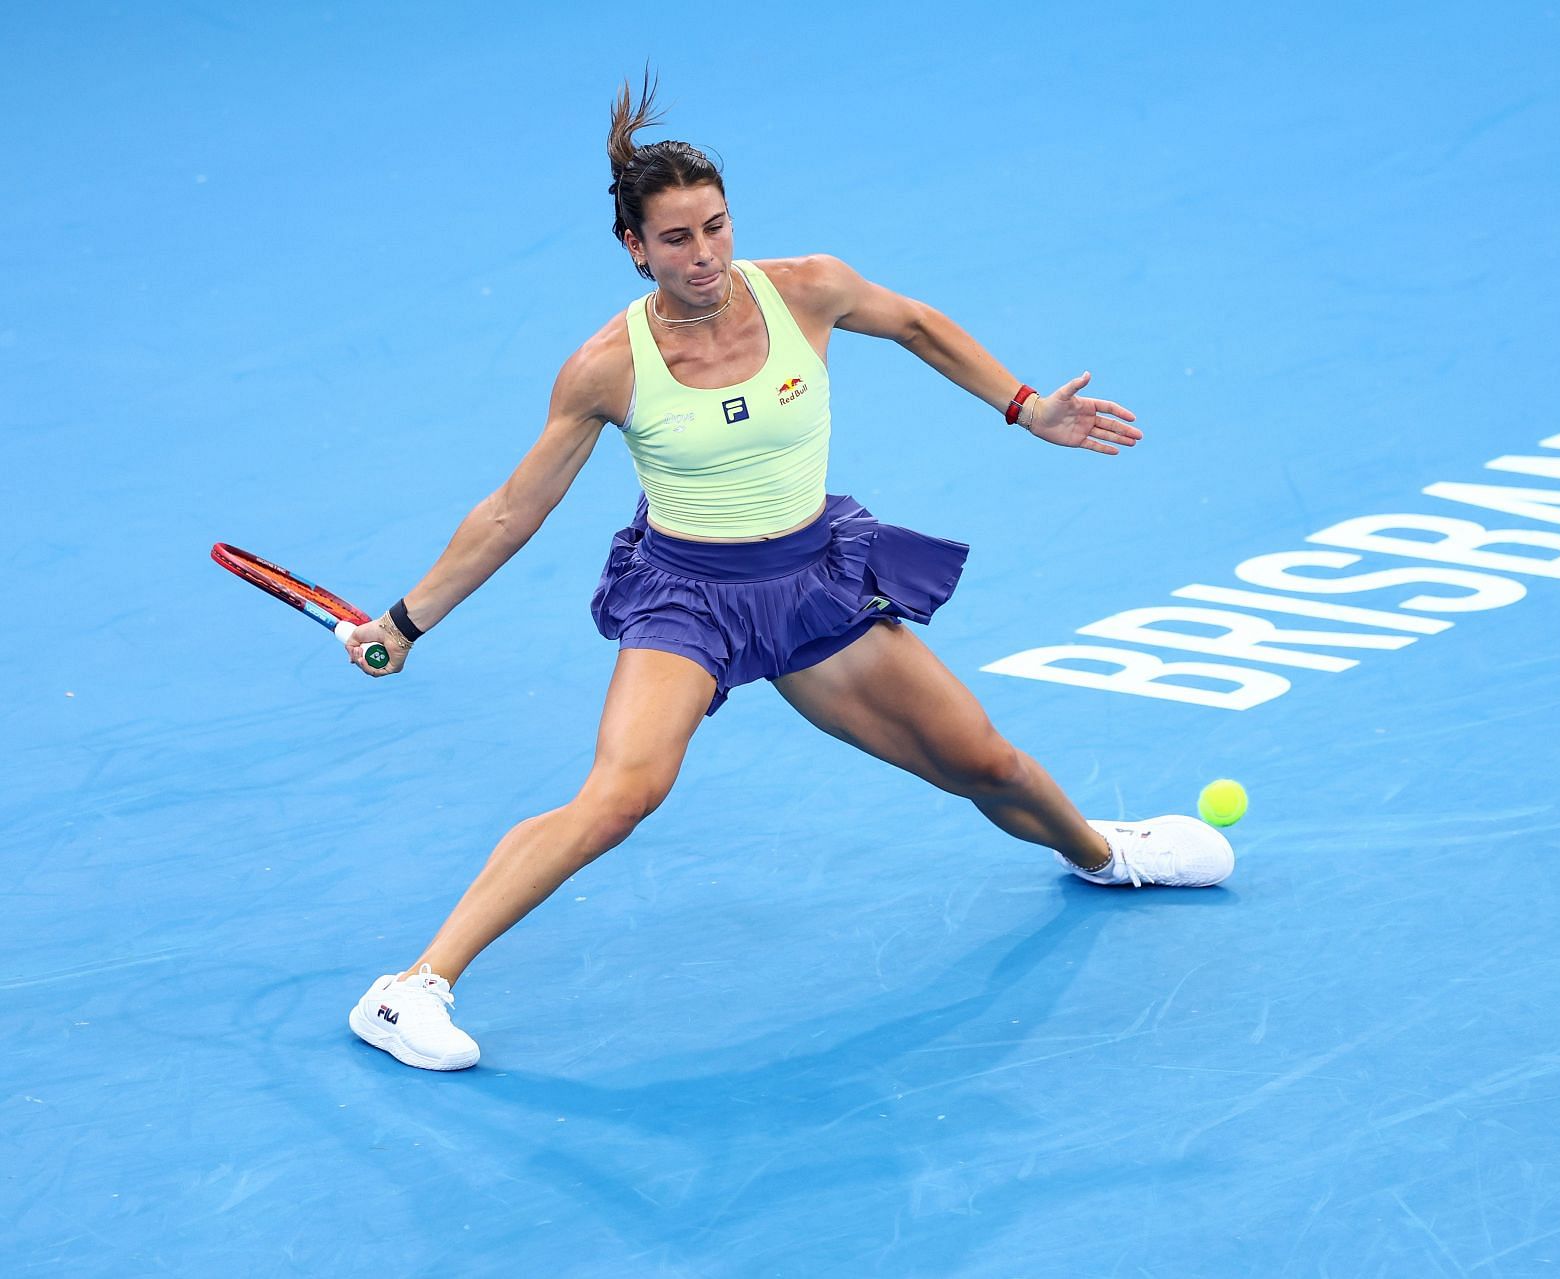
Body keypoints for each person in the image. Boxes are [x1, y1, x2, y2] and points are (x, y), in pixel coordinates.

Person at [346, 74, 1234, 1072]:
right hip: (687, 598)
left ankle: (1107, 856)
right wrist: (403, 622)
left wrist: (1023, 403)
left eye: (716, 228)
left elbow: (915, 323)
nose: (705, 255)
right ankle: (410, 988)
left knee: (981, 758)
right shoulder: (606, 366)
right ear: (634, 249)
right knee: (623, 794)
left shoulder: (805, 286)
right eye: (676, 239)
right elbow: (514, 509)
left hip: (813, 583)